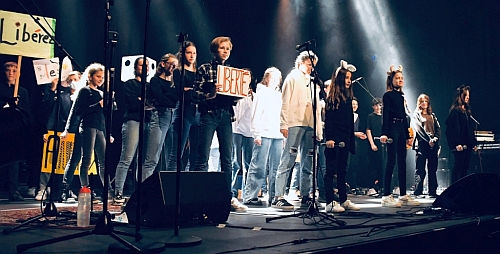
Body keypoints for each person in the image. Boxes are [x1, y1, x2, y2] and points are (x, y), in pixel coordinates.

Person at [192, 36, 247, 212]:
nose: (225, 51)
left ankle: (226, 197)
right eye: (222, 48)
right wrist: (210, 94)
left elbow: (234, 98)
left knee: (228, 159)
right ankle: (197, 196)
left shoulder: (232, 71)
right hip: (209, 114)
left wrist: (239, 94)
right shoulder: (205, 68)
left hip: (225, 115)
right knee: (203, 157)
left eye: (228, 49)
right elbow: (195, 94)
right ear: (215, 50)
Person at [271, 50, 323, 210]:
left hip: (310, 126)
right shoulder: (292, 77)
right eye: (309, 64)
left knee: (308, 162)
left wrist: (319, 130)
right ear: (301, 62)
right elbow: (285, 101)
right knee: (288, 159)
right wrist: (283, 124)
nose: (311, 68)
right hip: (295, 123)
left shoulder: (314, 82)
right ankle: (278, 196)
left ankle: (306, 195)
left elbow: (317, 110)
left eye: (313, 65)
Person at [323, 60, 360, 213]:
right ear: (339, 79)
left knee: (342, 170)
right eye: (346, 77)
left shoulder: (348, 98)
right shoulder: (332, 98)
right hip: (335, 139)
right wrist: (330, 138)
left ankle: (343, 199)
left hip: (345, 137)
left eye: (350, 78)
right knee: (331, 170)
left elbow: (349, 122)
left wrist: (350, 140)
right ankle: (329, 202)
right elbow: (329, 120)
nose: (349, 80)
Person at [243, 67, 284, 206]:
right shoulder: (261, 93)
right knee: (258, 166)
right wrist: (256, 133)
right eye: (271, 78)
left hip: (277, 135)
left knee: (276, 168)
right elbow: (256, 114)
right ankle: (250, 196)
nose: (273, 81)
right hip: (264, 133)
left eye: (276, 78)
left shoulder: (279, 95)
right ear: (266, 78)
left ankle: (274, 196)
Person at [380, 65, 419, 207]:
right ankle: (386, 195)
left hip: (401, 129)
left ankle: (403, 194)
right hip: (392, 128)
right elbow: (386, 115)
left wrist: (408, 133)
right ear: (392, 80)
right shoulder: (388, 95)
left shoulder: (401, 96)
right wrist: (384, 132)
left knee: (402, 161)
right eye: (398, 78)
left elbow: (404, 115)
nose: (400, 80)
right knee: (391, 161)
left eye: (402, 78)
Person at [112, 57, 150, 204]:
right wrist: (142, 101)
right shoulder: (130, 83)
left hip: (148, 122)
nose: (145, 68)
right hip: (133, 121)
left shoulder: (149, 85)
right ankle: (118, 192)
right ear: (136, 67)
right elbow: (133, 102)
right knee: (127, 158)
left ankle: (141, 193)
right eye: (142, 65)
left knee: (144, 160)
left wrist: (143, 100)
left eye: (146, 65)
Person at [70, 63, 111, 198]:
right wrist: (97, 105)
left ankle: (108, 189)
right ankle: (85, 187)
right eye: (98, 76)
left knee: (103, 160)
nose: (101, 79)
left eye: (102, 77)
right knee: (86, 158)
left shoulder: (101, 93)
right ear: (90, 76)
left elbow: (103, 115)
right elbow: (79, 111)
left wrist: (107, 133)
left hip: (99, 128)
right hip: (87, 126)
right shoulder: (85, 91)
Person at [143, 54, 179, 181]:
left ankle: (167, 189)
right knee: (152, 157)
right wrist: (171, 96)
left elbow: (175, 99)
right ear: (163, 64)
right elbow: (160, 98)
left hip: (174, 116)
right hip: (160, 116)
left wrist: (169, 97)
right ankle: (143, 191)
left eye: (176, 65)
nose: (173, 67)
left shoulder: (176, 83)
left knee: (171, 157)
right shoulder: (155, 80)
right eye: (171, 63)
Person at [0, 61, 31, 201]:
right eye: (8, 70)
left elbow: (27, 112)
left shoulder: (22, 91)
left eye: (14, 70)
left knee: (13, 161)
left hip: (14, 130)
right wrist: (7, 105)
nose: (11, 73)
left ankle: (14, 190)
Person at [167, 41, 200, 172]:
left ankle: (190, 185)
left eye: (194, 53)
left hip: (197, 113)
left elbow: (197, 92)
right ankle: (170, 183)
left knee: (195, 154)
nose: (192, 56)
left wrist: (190, 90)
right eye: (189, 53)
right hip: (183, 111)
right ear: (182, 54)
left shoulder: (198, 72)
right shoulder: (178, 72)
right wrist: (192, 91)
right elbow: (181, 91)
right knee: (177, 152)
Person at [445, 85, 477, 184]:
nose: (468, 97)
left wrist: (473, 143)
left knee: (465, 168)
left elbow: (469, 130)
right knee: (458, 166)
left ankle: (463, 190)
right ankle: (454, 189)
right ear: (460, 96)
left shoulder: (467, 112)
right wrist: (456, 143)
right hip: (460, 146)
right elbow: (451, 130)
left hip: (467, 145)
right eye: (466, 95)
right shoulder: (455, 112)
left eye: (468, 95)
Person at [231, 73, 255, 201]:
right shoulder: (236, 93)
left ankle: (247, 193)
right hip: (236, 130)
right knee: (236, 163)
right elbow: (237, 112)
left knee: (248, 163)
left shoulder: (253, 95)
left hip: (249, 132)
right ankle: (233, 192)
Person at [411, 94, 441, 198]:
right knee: (420, 169)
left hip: (433, 144)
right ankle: (418, 190)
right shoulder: (416, 115)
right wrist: (428, 140)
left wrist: (435, 139)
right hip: (422, 144)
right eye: (422, 101)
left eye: (426, 101)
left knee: (432, 169)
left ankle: (432, 191)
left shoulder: (432, 115)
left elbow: (438, 129)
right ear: (419, 103)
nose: (424, 103)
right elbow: (419, 130)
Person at [346, 97, 367, 191]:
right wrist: (355, 134)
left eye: (356, 104)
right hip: (347, 142)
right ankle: (343, 184)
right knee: (346, 163)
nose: (354, 106)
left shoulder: (357, 116)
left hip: (355, 142)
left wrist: (362, 135)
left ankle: (352, 184)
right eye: (352, 104)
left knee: (354, 164)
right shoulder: (345, 115)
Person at [365, 98, 384, 196]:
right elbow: (368, 130)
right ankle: (371, 187)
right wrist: (372, 144)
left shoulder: (384, 117)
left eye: (379, 105)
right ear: (373, 107)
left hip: (383, 145)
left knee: (382, 166)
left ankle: (381, 186)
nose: (378, 107)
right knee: (373, 166)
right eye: (376, 105)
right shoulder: (370, 116)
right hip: (374, 143)